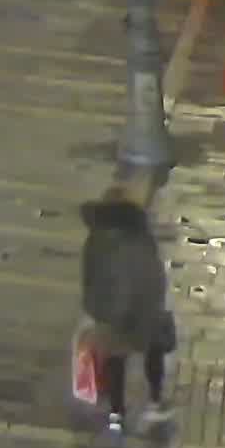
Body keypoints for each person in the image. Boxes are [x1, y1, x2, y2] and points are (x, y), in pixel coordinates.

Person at [78, 185, 176, 432]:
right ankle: (155, 401)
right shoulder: (139, 234)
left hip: (111, 309)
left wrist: (95, 308)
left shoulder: (96, 237)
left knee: (115, 360)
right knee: (153, 352)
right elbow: (153, 270)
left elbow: (90, 276)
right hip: (144, 306)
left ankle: (116, 412)